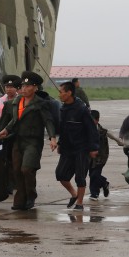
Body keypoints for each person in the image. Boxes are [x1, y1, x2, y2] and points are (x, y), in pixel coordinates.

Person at [0, 72, 57, 211]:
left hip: (33, 142)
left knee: (27, 169)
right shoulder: (16, 102)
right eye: (23, 85)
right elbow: (14, 119)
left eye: (28, 86)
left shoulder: (40, 103)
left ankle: (31, 195)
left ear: (35, 88)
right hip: (18, 140)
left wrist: (52, 137)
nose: (23, 88)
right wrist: (6, 129)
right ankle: (20, 199)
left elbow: (48, 120)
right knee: (17, 170)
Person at [55, 81, 99, 211]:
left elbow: (92, 129)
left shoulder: (82, 109)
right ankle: (74, 194)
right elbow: (63, 129)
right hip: (67, 148)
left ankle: (80, 203)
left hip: (81, 148)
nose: (59, 95)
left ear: (69, 93)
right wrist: (60, 144)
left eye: (61, 92)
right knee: (60, 174)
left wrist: (93, 148)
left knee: (80, 176)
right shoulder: (63, 108)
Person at [88, 110, 124, 200]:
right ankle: (104, 183)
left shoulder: (102, 131)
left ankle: (94, 194)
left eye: (92, 120)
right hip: (90, 157)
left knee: (94, 175)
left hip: (101, 156)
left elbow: (111, 135)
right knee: (92, 174)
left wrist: (119, 141)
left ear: (97, 120)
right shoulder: (85, 129)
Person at [0, 75, 20, 141]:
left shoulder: (20, 100)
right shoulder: (1, 100)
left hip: (16, 131)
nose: (8, 89)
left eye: (11, 87)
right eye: (7, 87)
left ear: (16, 88)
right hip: (2, 131)